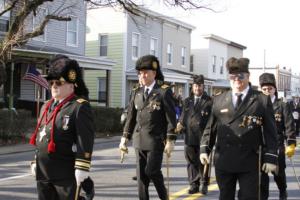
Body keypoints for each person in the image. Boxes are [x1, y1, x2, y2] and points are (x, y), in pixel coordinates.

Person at [200, 57, 278, 200]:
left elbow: (271, 132)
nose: (237, 79)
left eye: (240, 75)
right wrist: (205, 148)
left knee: (249, 197)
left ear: (248, 76)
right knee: (225, 196)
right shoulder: (218, 99)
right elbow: (210, 128)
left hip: (250, 161)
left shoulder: (261, 99)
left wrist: (271, 157)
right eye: (232, 76)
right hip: (224, 159)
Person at [29, 56, 95, 200]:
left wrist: (82, 167)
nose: (53, 86)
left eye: (59, 82)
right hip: (44, 172)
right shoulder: (46, 106)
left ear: (71, 85)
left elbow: (84, 139)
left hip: (65, 174)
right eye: (51, 82)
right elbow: (42, 136)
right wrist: (36, 160)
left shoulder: (79, 107)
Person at [119, 54, 177, 200]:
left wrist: (170, 140)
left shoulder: (163, 91)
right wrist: (124, 137)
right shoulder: (136, 91)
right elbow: (131, 116)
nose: (142, 75)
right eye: (140, 72)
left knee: (151, 171)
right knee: (141, 178)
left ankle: (164, 197)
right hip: (139, 140)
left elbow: (171, 118)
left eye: (146, 72)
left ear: (154, 73)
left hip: (155, 140)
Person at [259, 73, 297, 200]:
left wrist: (291, 144)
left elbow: (289, 125)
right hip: (261, 145)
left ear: (274, 89)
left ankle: (282, 190)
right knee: (261, 176)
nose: (267, 91)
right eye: (264, 89)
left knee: (278, 173)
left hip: (277, 144)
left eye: (270, 88)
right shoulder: (257, 105)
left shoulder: (282, 105)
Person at [176, 74, 212, 194]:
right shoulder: (187, 101)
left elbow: (213, 120)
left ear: (203, 86)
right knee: (191, 162)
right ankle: (193, 184)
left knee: (203, 161)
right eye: (195, 86)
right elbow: (183, 117)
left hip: (204, 137)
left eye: (200, 86)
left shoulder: (209, 101)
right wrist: (179, 124)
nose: (197, 88)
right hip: (190, 136)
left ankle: (204, 183)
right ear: (192, 86)